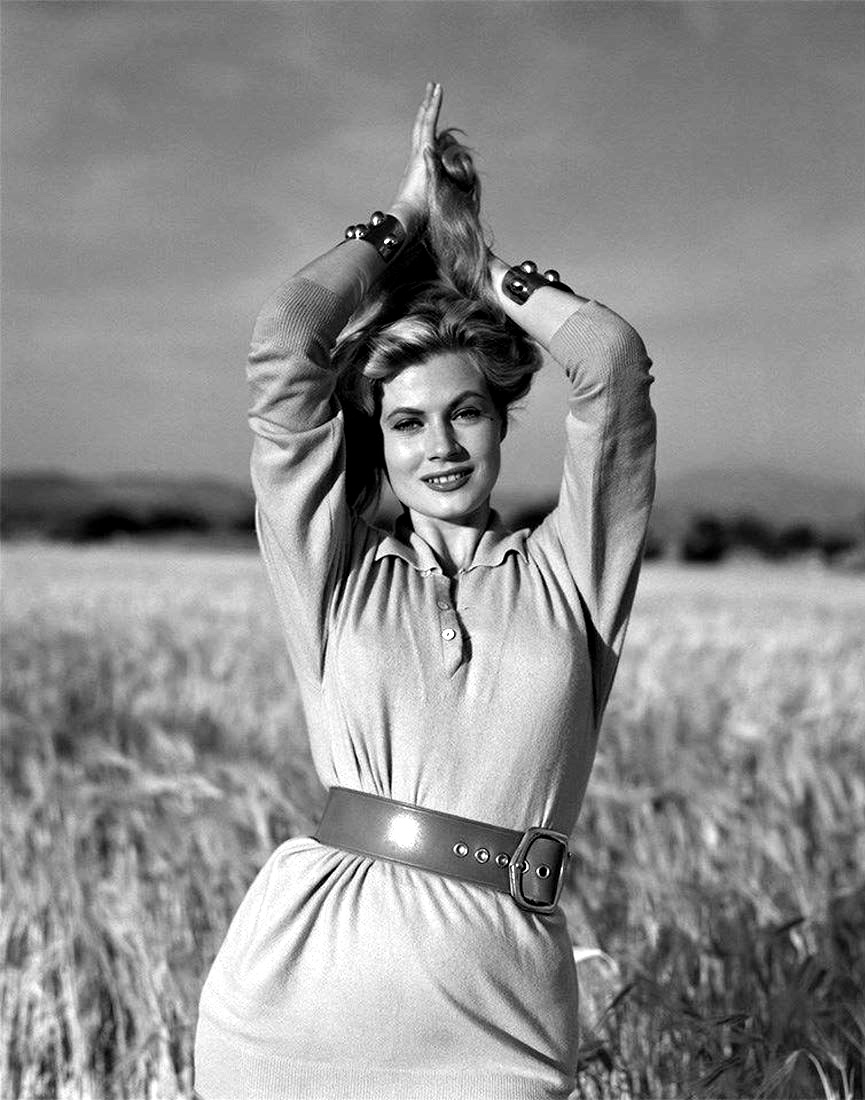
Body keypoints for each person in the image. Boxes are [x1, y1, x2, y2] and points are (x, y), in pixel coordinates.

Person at [194, 83, 656, 1100]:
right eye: (406, 422)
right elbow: (285, 340)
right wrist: (404, 218)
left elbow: (610, 363)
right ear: (380, 438)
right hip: (293, 1010)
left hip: (499, 1020)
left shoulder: (570, 570)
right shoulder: (336, 570)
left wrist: (477, 262)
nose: (439, 444)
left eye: (466, 412)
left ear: (499, 419)